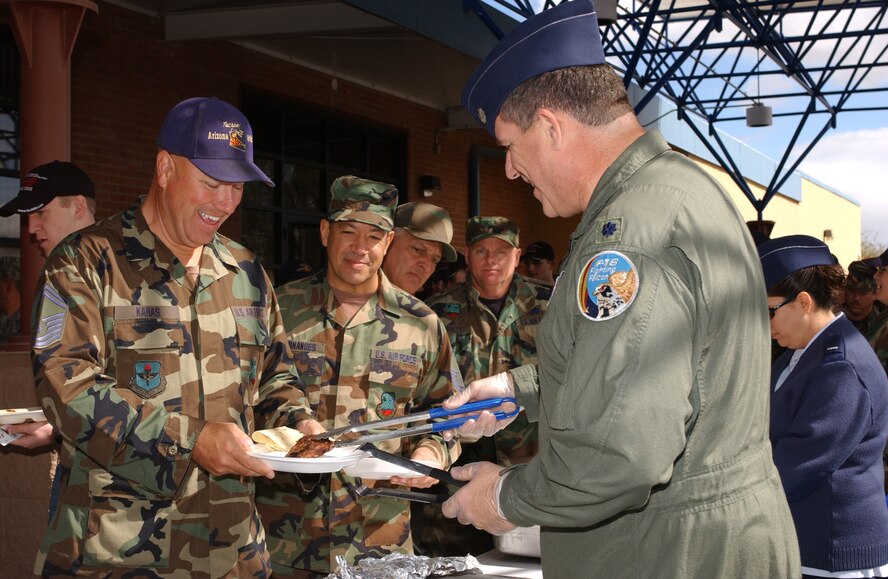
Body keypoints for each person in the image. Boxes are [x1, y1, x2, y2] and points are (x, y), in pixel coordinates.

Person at [437, 2, 800, 577]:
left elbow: (619, 454)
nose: (509, 171)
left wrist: (503, 498)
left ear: (551, 127)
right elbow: (652, 366)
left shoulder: (628, 239)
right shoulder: (680, 189)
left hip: (665, 552)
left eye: (510, 145)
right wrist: (516, 388)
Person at [29, 96, 317, 577]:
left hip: (234, 553)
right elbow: (65, 386)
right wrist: (191, 442)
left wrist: (298, 424)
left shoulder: (245, 270)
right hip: (117, 553)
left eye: (237, 186)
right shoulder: (84, 262)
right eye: (211, 183)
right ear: (164, 168)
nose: (226, 203)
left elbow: (275, 375)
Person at [256, 176, 463, 577]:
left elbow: (444, 414)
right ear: (324, 232)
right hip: (284, 536)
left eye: (374, 236)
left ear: (387, 244)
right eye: (348, 231)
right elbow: (250, 394)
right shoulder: (279, 308)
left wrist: (428, 456)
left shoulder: (422, 324)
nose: (360, 248)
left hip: (379, 540)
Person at [418, 216, 550, 556]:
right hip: (459, 464)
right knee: (452, 561)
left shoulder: (551, 305)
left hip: (530, 465)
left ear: (517, 256)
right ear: (467, 254)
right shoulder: (435, 313)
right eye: (481, 251)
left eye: (501, 251)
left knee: (528, 563)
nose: (491, 260)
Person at [759, 235, 888, 578]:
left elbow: (798, 462)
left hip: (834, 551)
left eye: (769, 311)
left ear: (802, 302)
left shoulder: (840, 365)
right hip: (808, 543)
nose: (765, 324)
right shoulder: (802, 352)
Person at [0, 161, 98, 448]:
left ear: (78, 207)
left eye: (41, 213)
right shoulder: (74, 268)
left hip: (106, 478)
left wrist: (58, 430)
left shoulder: (100, 273)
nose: (31, 228)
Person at [381, 201, 458, 295]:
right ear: (387, 241)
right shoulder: (359, 301)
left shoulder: (422, 309)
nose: (427, 266)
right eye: (418, 250)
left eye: (435, 260)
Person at [843, 260, 882, 340]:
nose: (856, 298)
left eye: (863, 292)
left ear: (874, 294)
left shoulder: (881, 327)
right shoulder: (832, 319)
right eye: (852, 290)